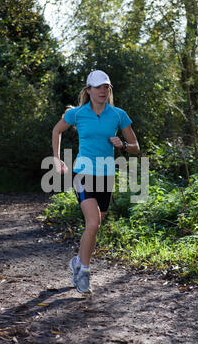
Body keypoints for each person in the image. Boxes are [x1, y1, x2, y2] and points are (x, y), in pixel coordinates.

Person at [52, 70, 139, 293]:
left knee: (96, 224)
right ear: (88, 90)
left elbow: (135, 148)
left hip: (106, 176)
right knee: (93, 223)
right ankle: (84, 274)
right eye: (98, 87)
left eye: (106, 87)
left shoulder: (118, 115)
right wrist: (57, 158)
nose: (103, 91)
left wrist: (122, 145)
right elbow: (56, 130)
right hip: (83, 173)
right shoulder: (77, 114)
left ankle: (78, 261)